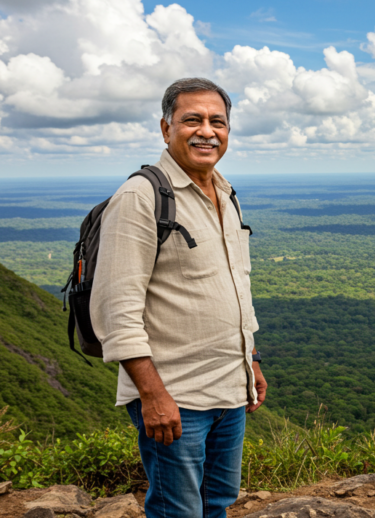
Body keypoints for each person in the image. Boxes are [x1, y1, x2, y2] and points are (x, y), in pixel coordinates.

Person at [91, 78, 267, 518]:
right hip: (176, 396)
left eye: (217, 122)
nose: (207, 131)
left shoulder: (224, 193)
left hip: (229, 388)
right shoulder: (140, 196)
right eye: (193, 120)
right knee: (178, 511)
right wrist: (152, 396)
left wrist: (252, 359)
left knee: (217, 504)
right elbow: (117, 310)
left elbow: (233, 285)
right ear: (166, 128)